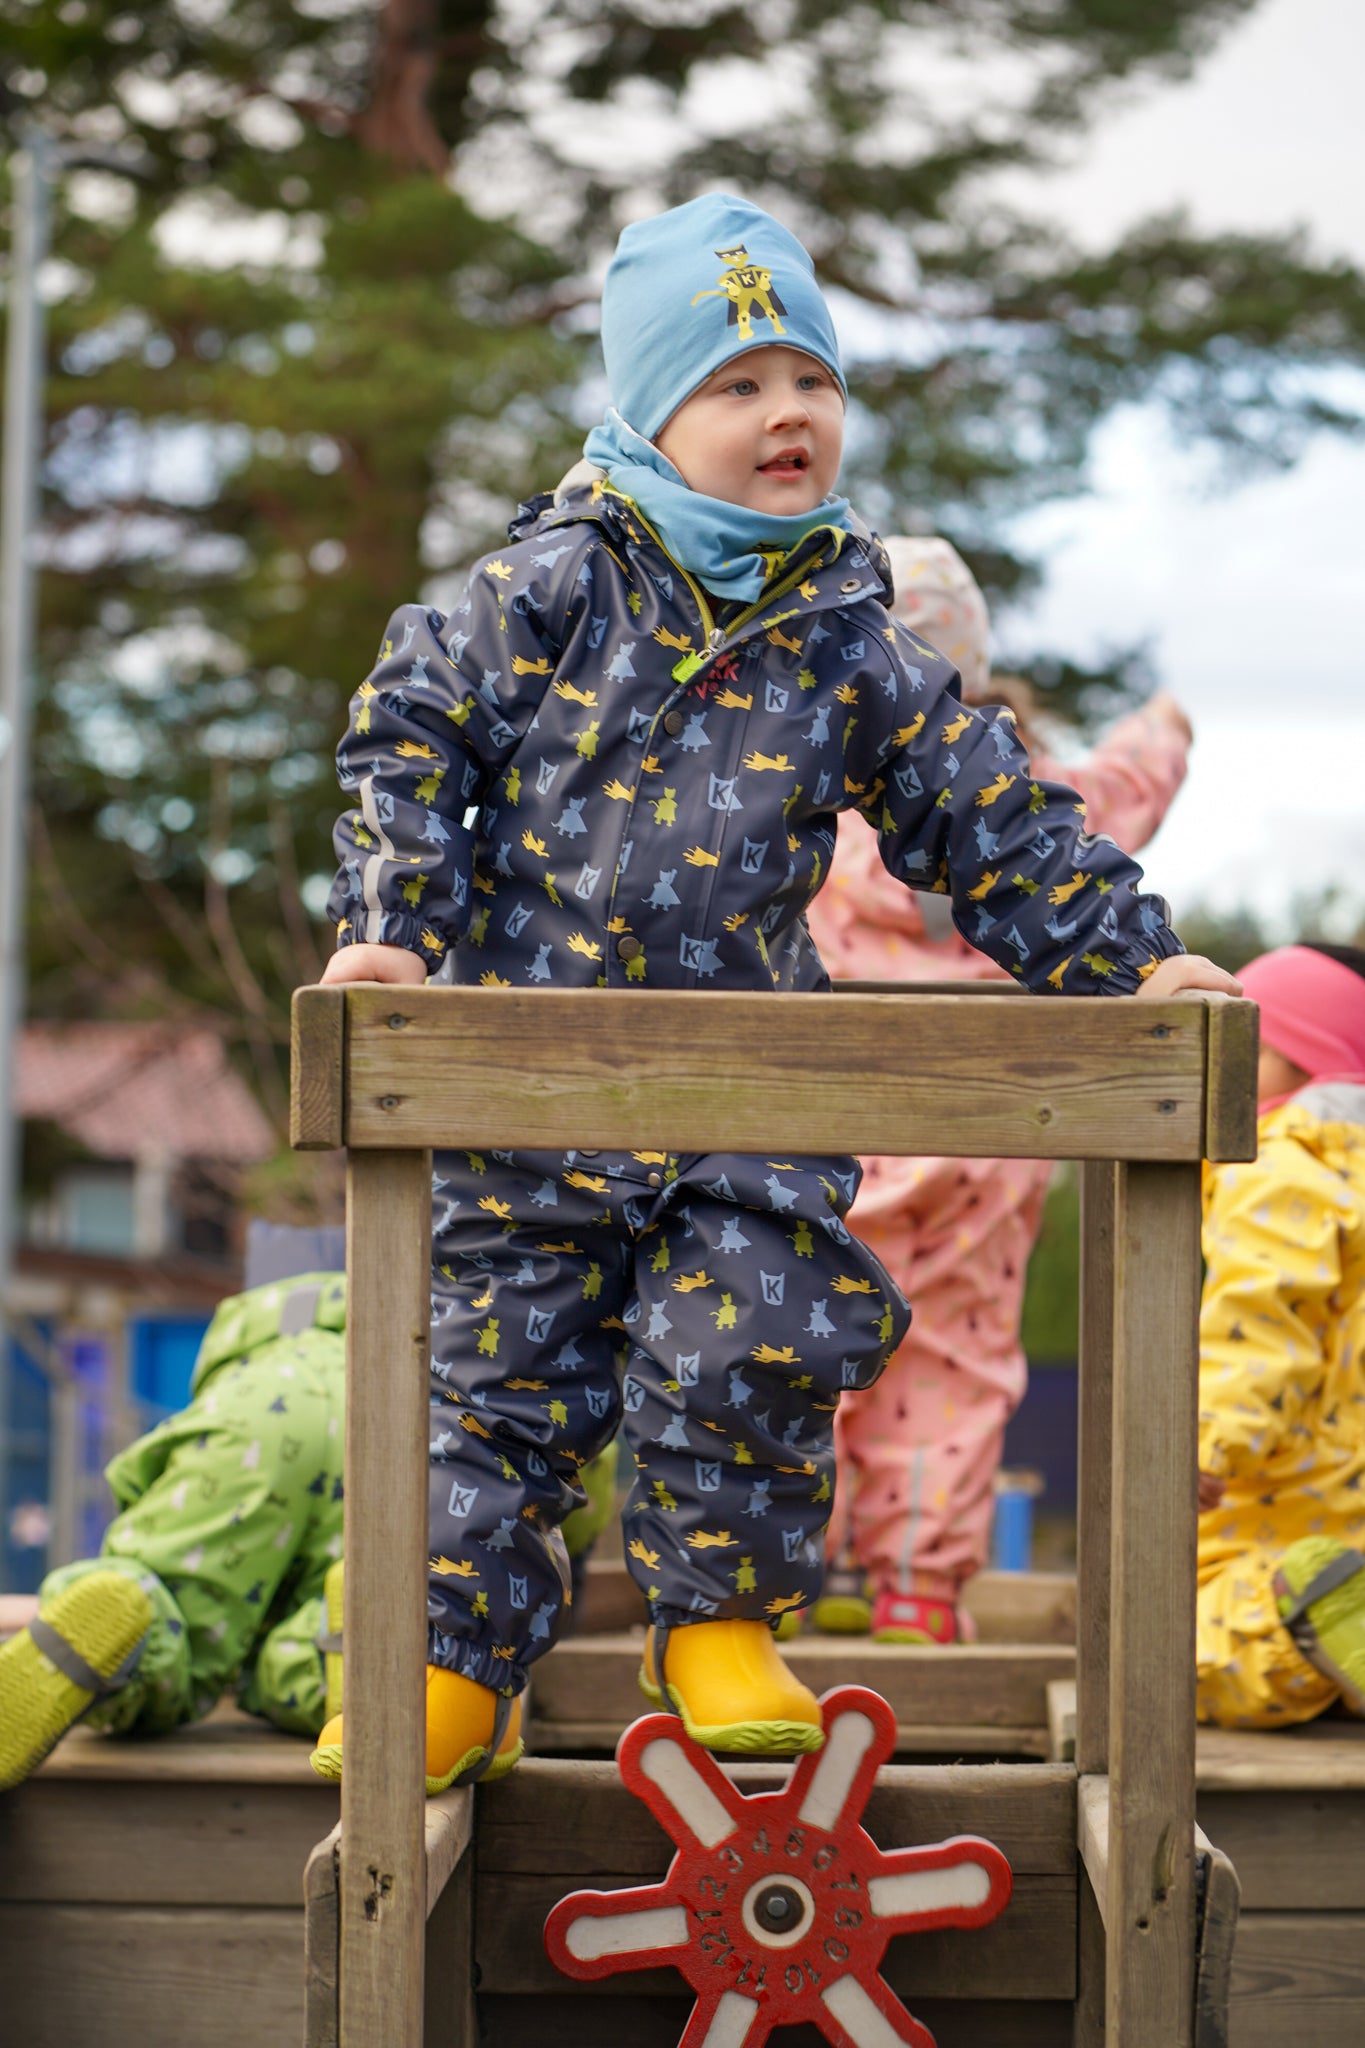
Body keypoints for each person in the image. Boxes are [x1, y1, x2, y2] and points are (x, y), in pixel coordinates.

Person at [315, 190, 1237, 1789]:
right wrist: (396, 918)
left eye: (807, 377)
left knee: (752, 1338)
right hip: (535, 1085)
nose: (785, 411)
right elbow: (409, 733)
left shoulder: (845, 632)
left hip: (744, 1095)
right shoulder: (546, 590)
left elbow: (990, 817)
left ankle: (718, 1624)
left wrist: (1136, 958)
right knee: (493, 1383)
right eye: (735, 384)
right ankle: (449, 1664)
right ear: (652, 414)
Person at [804, 538, 1193, 1643]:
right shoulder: (1027, 790)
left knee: (793, 1334)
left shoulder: (809, 795)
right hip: (989, 1131)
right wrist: (1164, 723)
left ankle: (785, 1569)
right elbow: (1131, 785)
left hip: (824, 1126)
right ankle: (919, 1588)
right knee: (954, 1363)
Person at [0, 1271, 347, 1790]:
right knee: (312, 1629)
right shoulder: (422, 1315)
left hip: (258, 1410)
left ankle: (125, 1619)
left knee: (172, 1604)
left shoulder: (266, 1327)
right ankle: (339, 1645)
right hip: (380, 1414)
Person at [1195, 942, 1365, 1728]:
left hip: (1282, 1504)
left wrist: (1208, 1442)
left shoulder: (1276, 1164)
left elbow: (1263, 1312)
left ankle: (1307, 1607)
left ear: (1304, 1060)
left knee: (1187, 1646)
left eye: (1242, 1048)